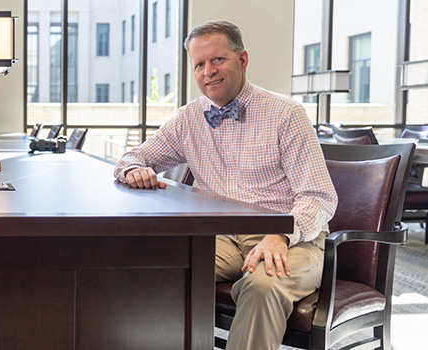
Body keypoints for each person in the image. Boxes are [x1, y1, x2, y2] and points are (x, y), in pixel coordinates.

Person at [113, 20, 338, 350]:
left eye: (218, 60)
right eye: (199, 64)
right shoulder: (189, 118)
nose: (209, 71)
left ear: (243, 60)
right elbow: (133, 157)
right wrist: (134, 170)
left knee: (263, 286)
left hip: (287, 237)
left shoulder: (286, 114)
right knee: (152, 266)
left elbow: (318, 196)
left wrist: (281, 233)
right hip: (219, 236)